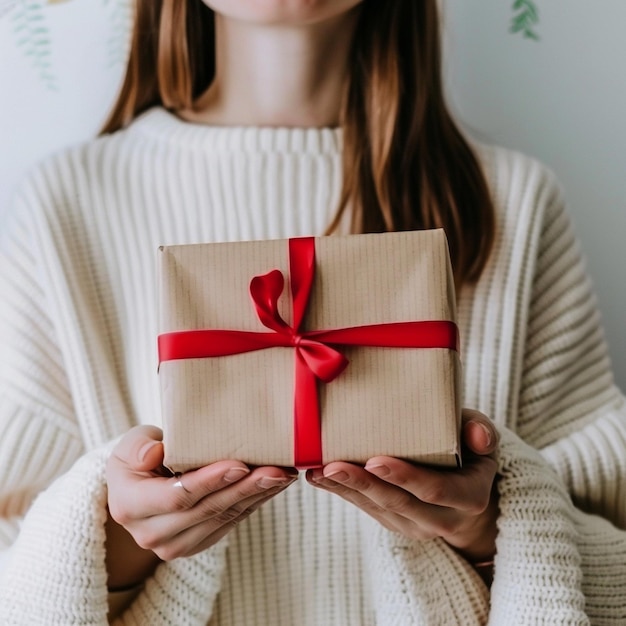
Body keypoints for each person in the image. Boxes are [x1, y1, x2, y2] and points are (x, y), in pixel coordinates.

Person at [0, 0, 624, 623]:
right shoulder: (64, 207)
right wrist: (116, 534)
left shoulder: (511, 201)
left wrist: (490, 527)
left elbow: (605, 533)